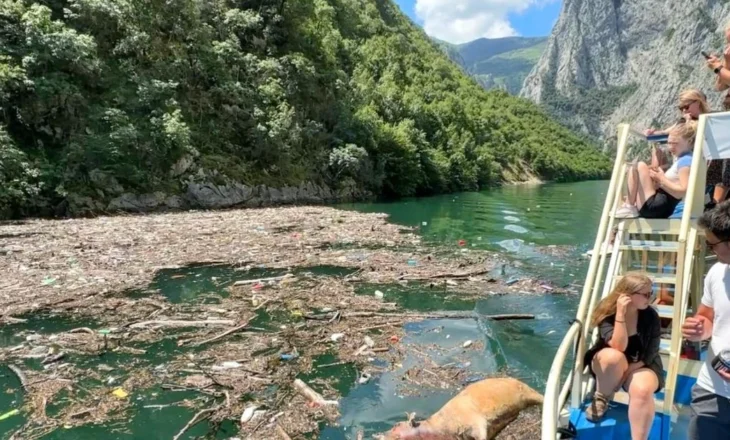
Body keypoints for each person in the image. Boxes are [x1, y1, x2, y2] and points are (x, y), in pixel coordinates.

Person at [583, 273, 662, 440]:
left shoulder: (650, 315)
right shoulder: (608, 313)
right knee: (614, 357)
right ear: (627, 296)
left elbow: (653, 348)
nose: (650, 298)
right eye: (646, 294)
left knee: (642, 390)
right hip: (609, 363)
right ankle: (601, 397)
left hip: (641, 363)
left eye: (651, 292)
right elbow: (619, 346)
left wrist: (633, 367)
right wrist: (620, 314)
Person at [681, 201, 730, 438]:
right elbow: (707, 316)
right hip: (711, 392)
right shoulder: (717, 273)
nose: (711, 251)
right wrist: (700, 328)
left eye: (712, 245)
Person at [615, 121, 697, 219]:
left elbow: (683, 191)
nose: (670, 147)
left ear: (689, 141)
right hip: (661, 207)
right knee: (640, 168)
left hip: (655, 208)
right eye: (669, 143)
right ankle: (629, 205)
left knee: (639, 166)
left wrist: (661, 179)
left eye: (674, 143)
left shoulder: (685, 161)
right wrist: (659, 180)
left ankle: (629, 205)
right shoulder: (685, 159)